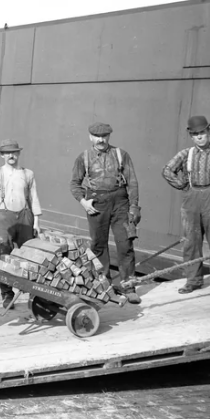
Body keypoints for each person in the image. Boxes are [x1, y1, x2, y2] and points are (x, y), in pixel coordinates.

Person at [69, 122, 142, 305]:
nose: (101, 140)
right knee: (98, 245)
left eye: (104, 136)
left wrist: (134, 207)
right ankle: (105, 285)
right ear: (90, 137)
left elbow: (132, 182)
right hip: (96, 203)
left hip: (120, 203)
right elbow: (74, 184)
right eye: (97, 136)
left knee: (125, 244)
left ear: (109, 136)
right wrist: (83, 202)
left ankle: (129, 286)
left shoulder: (121, 155)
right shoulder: (83, 157)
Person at [0, 139, 42, 308]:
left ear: (19, 154)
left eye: (14, 152)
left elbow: (34, 197)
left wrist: (36, 222)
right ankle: (7, 294)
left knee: (29, 256)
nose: (11, 155)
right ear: (2, 155)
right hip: (3, 217)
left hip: (25, 216)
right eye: (7, 153)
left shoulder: (28, 174)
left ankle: (35, 293)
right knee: (4, 255)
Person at [162, 115, 210, 294]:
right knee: (191, 242)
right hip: (190, 201)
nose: (200, 137)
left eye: (202, 132)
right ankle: (193, 281)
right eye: (196, 134)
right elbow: (167, 170)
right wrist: (182, 184)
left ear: (208, 131)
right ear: (191, 136)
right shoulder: (186, 154)